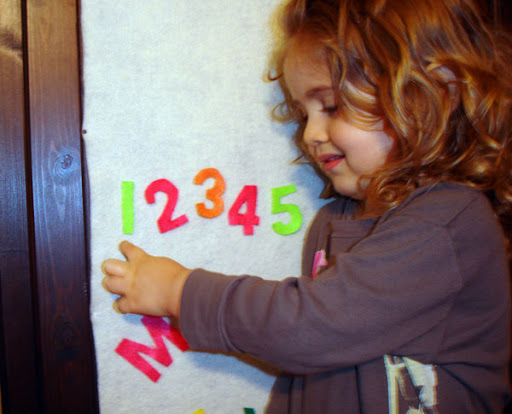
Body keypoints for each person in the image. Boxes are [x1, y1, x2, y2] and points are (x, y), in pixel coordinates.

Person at [102, 0, 512, 411]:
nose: (311, 134)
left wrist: (180, 290)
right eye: (303, 116)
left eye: (331, 106)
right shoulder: (332, 220)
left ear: (432, 95)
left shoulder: (448, 222)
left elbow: (310, 328)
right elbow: (306, 376)